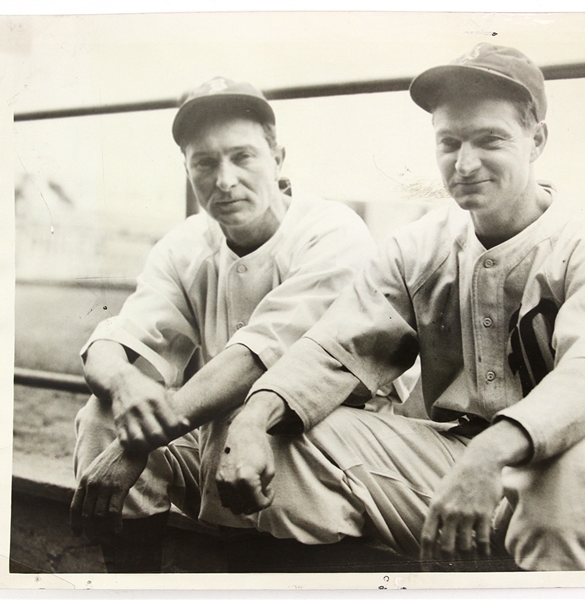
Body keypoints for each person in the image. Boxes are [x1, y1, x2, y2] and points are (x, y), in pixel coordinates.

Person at [214, 44, 585, 571]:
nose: (464, 163)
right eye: (449, 142)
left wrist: (491, 452)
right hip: (461, 467)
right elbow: (334, 350)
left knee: (563, 478)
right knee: (289, 438)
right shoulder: (420, 245)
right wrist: (254, 417)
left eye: (490, 140)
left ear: (537, 140)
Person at [69, 77, 391, 572]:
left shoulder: (331, 231)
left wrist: (139, 442)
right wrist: (123, 381)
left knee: (253, 420)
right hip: (223, 442)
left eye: (242, 157)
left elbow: (258, 359)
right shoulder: (185, 244)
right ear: (187, 170)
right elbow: (122, 336)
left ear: (278, 157)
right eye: (205, 163)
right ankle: (134, 582)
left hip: (331, 444)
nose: (224, 180)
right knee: (103, 414)